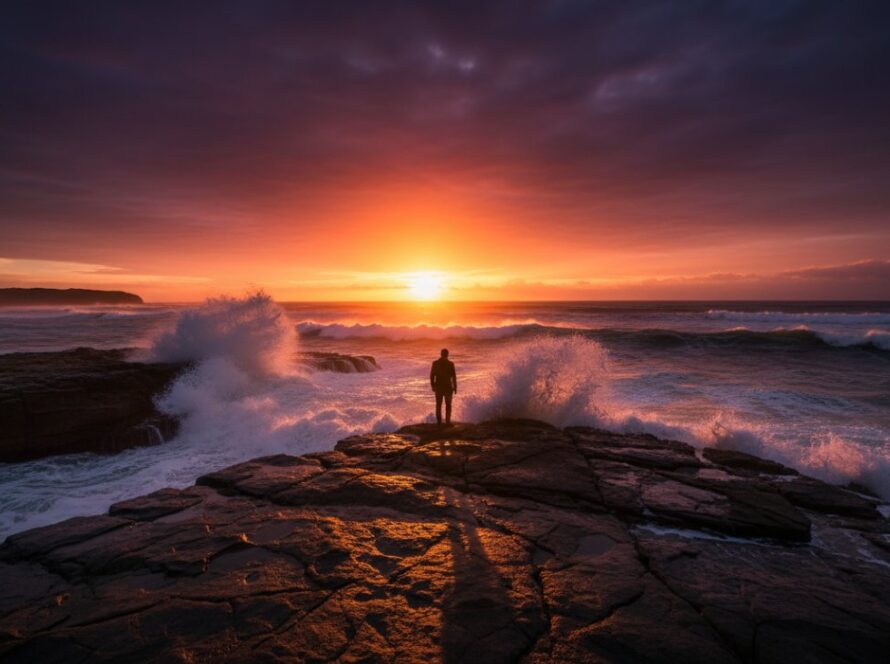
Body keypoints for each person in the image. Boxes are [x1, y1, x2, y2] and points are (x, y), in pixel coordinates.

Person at [430, 348, 457, 425]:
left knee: (439, 404)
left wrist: (432, 385)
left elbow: (432, 375)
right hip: (448, 387)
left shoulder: (435, 363)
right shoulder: (450, 364)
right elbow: (453, 377)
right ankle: (447, 422)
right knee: (448, 405)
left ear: (441, 354)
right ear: (447, 355)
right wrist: (455, 387)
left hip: (439, 387)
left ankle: (439, 422)